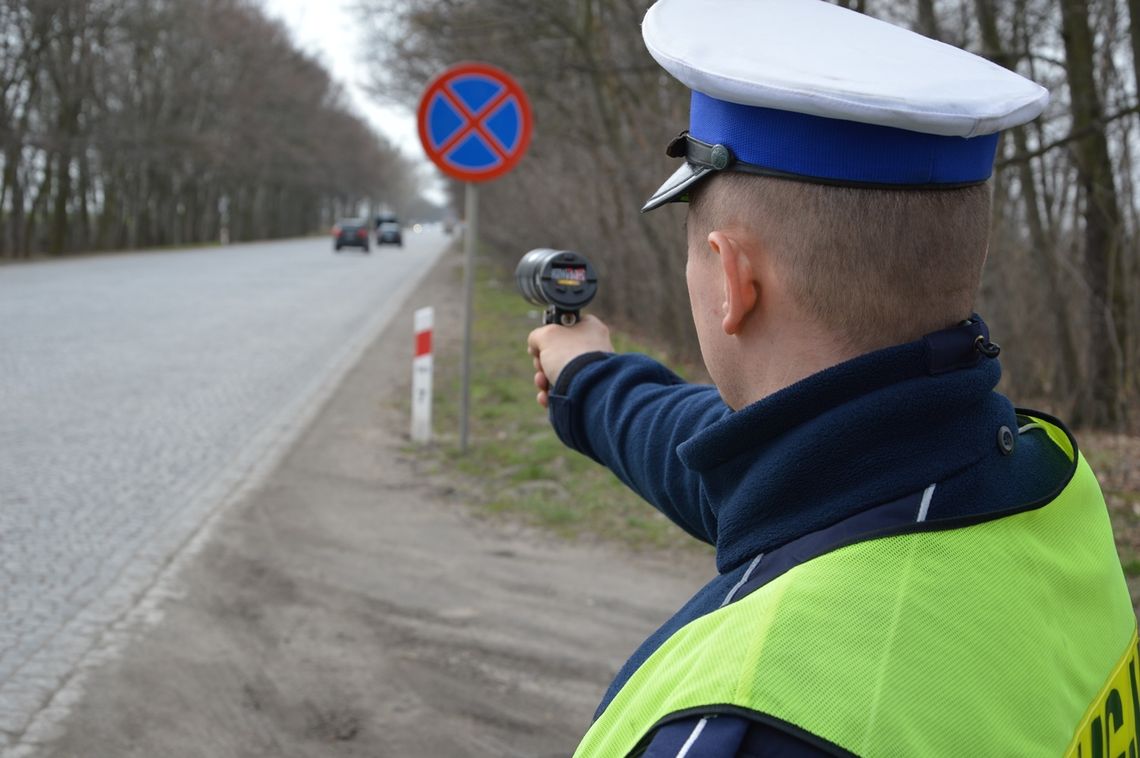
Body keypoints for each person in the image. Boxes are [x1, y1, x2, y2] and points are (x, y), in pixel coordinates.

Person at [525, 1, 1137, 755]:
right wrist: (587, 376)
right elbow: (752, 468)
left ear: (731, 278)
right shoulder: (1048, 486)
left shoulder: (738, 724)